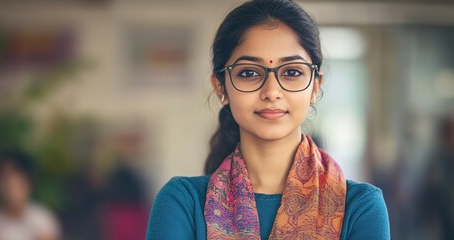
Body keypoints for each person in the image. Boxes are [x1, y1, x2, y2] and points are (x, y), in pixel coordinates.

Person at [146, 0, 390, 239]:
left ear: (315, 87)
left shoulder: (359, 208)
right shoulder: (182, 203)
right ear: (221, 88)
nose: (272, 91)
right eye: (249, 73)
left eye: (292, 72)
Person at [0, 150, 61, 240]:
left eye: (17, 178)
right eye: (5, 177)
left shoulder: (43, 221)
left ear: (29, 182)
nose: (11, 184)